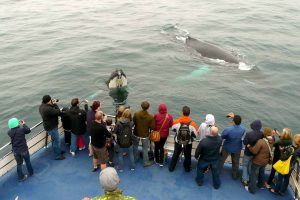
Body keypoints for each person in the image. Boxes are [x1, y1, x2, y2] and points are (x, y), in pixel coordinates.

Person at [270, 129, 300, 195]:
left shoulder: (291, 149)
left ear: (295, 140)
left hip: (285, 166)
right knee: (286, 179)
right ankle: (282, 191)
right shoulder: (298, 149)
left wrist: (281, 150)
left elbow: (283, 158)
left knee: (280, 178)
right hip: (291, 167)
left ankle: (276, 190)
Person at [169, 106, 197, 172]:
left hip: (178, 142)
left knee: (175, 154)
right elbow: (195, 135)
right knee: (187, 156)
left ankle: (171, 168)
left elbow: (173, 129)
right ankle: (187, 168)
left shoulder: (176, 122)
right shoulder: (193, 124)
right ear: (189, 113)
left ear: (182, 112)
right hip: (188, 143)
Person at [246, 127, 274, 194]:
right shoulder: (272, 141)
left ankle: (252, 190)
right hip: (265, 161)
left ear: (264, 133)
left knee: (253, 175)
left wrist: (249, 146)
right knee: (261, 173)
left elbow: (254, 151)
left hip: (257, 161)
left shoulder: (261, 141)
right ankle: (260, 185)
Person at [219, 113, 245, 179]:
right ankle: (234, 175)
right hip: (237, 148)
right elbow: (240, 125)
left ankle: (218, 171)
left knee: (221, 160)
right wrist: (234, 117)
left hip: (227, 147)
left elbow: (222, 136)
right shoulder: (243, 129)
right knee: (236, 163)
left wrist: (234, 118)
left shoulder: (228, 129)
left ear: (233, 121)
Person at [39, 95, 65, 160]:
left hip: (48, 125)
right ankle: (58, 155)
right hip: (51, 127)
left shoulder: (41, 106)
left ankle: (58, 151)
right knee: (57, 140)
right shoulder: (48, 109)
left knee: (54, 140)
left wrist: (52, 104)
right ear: (48, 101)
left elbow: (50, 110)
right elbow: (59, 112)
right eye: (51, 100)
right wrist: (55, 104)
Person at [132, 101, 155, 167]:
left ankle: (135, 159)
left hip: (136, 133)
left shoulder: (136, 114)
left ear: (141, 106)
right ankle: (146, 162)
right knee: (145, 149)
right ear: (148, 108)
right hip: (145, 135)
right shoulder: (150, 117)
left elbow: (133, 123)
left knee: (135, 147)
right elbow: (152, 127)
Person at [241, 120, 263, 186]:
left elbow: (244, 142)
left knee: (245, 165)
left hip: (248, 152)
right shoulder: (262, 134)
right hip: (256, 153)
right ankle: (251, 178)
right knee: (251, 165)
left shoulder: (249, 133)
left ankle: (245, 180)